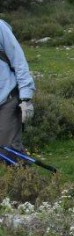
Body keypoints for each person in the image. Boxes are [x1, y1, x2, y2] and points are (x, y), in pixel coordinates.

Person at [0, 20, 36, 152]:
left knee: (8, 151)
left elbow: (18, 60)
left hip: (6, 100)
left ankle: (21, 173)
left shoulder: (0, 27)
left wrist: (26, 98)